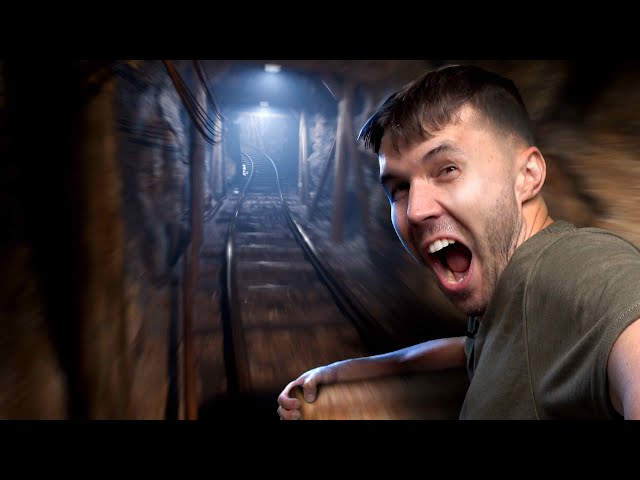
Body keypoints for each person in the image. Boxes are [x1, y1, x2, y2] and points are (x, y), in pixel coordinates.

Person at [276, 64, 640, 420]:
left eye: (447, 169)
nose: (415, 210)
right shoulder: (510, 290)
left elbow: (614, 308)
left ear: (528, 175)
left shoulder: (581, 269)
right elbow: (478, 347)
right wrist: (346, 371)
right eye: (399, 188)